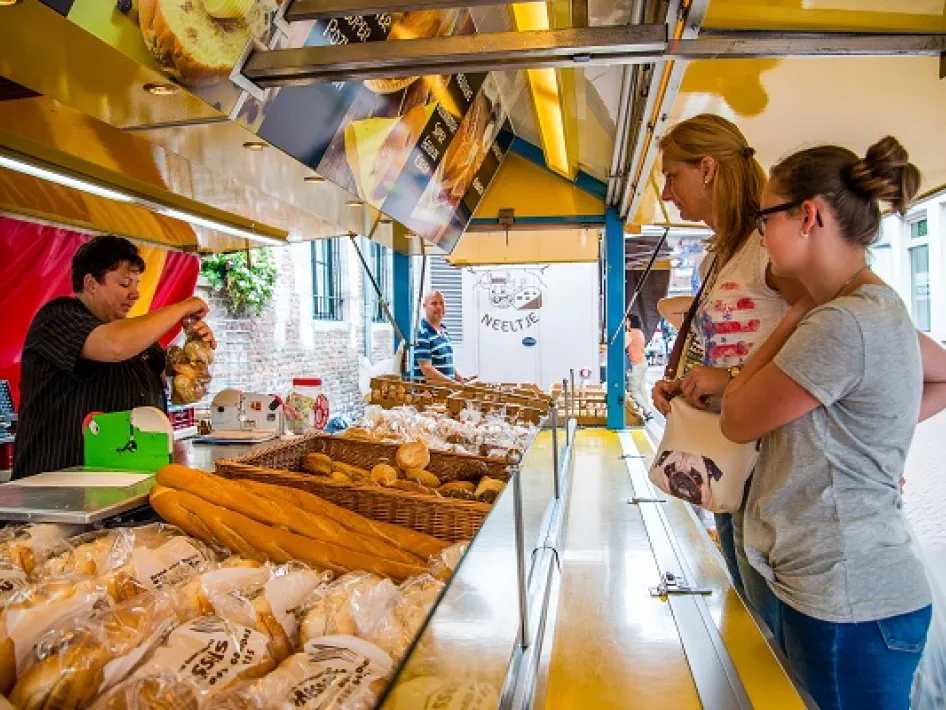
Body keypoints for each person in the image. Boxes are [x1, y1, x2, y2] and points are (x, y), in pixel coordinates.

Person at [720, 136, 946, 710]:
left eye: (765, 217)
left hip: (848, 602)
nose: (761, 234)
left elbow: (737, 417)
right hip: (854, 596)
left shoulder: (839, 323)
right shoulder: (877, 306)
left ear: (809, 216)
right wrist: (867, 441)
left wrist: (796, 310)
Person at [650, 114, 807, 641]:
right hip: (726, 460)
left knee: (773, 624)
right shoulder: (721, 252)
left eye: (673, 176)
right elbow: (728, 345)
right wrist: (687, 383)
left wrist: (730, 377)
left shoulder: (769, 248)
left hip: (773, 465)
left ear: (709, 168)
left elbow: (821, 339)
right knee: (749, 612)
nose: (667, 192)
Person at [13, 235, 215, 480]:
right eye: (124, 284)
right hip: (57, 491)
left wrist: (193, 348)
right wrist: (181, 307)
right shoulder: (57, 318)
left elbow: (179, 387)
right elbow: (114, 345)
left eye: (137, 284)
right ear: (90, 283)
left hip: (122, 492)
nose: (135, 294)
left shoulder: (136, 338)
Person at [412, 291, 468, 384]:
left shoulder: (443, 330)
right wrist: (453, 384)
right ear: (424, 306)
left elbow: (446, 364)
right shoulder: (421, 333)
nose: (439, 307)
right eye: (434, 303)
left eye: (442, 303)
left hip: (445, 392)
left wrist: (460, 379)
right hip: (429, 395)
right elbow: (427, 369)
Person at [625, 315, 650, 419]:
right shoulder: (639, 332)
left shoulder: (631, 333)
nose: (625, 323)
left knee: (633, 390)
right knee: (642, 388)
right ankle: (647, 409)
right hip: (643, 362)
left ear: (631, 322)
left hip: (637, 364)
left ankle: (647, 410)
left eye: (626, 321)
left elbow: (623, 345)